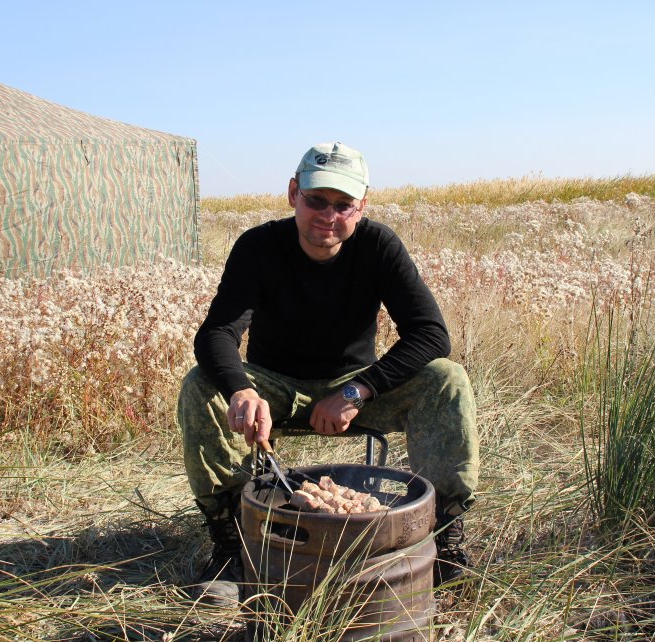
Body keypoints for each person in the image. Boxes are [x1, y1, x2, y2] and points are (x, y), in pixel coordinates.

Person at [178, 141, 480, 606]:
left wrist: (359, 390)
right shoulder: (258, 246)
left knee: (447, 378)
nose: (328, 215)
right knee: (202, 384)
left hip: (353, 386)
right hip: (274, 385)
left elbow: (430, 335)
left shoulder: (378, 245)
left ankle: (443, 539)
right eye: (316, 200)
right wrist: (242, 390)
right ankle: (234, 548)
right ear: (293, 194)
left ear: (362, 207)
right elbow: (216, 333)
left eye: (343, 205)